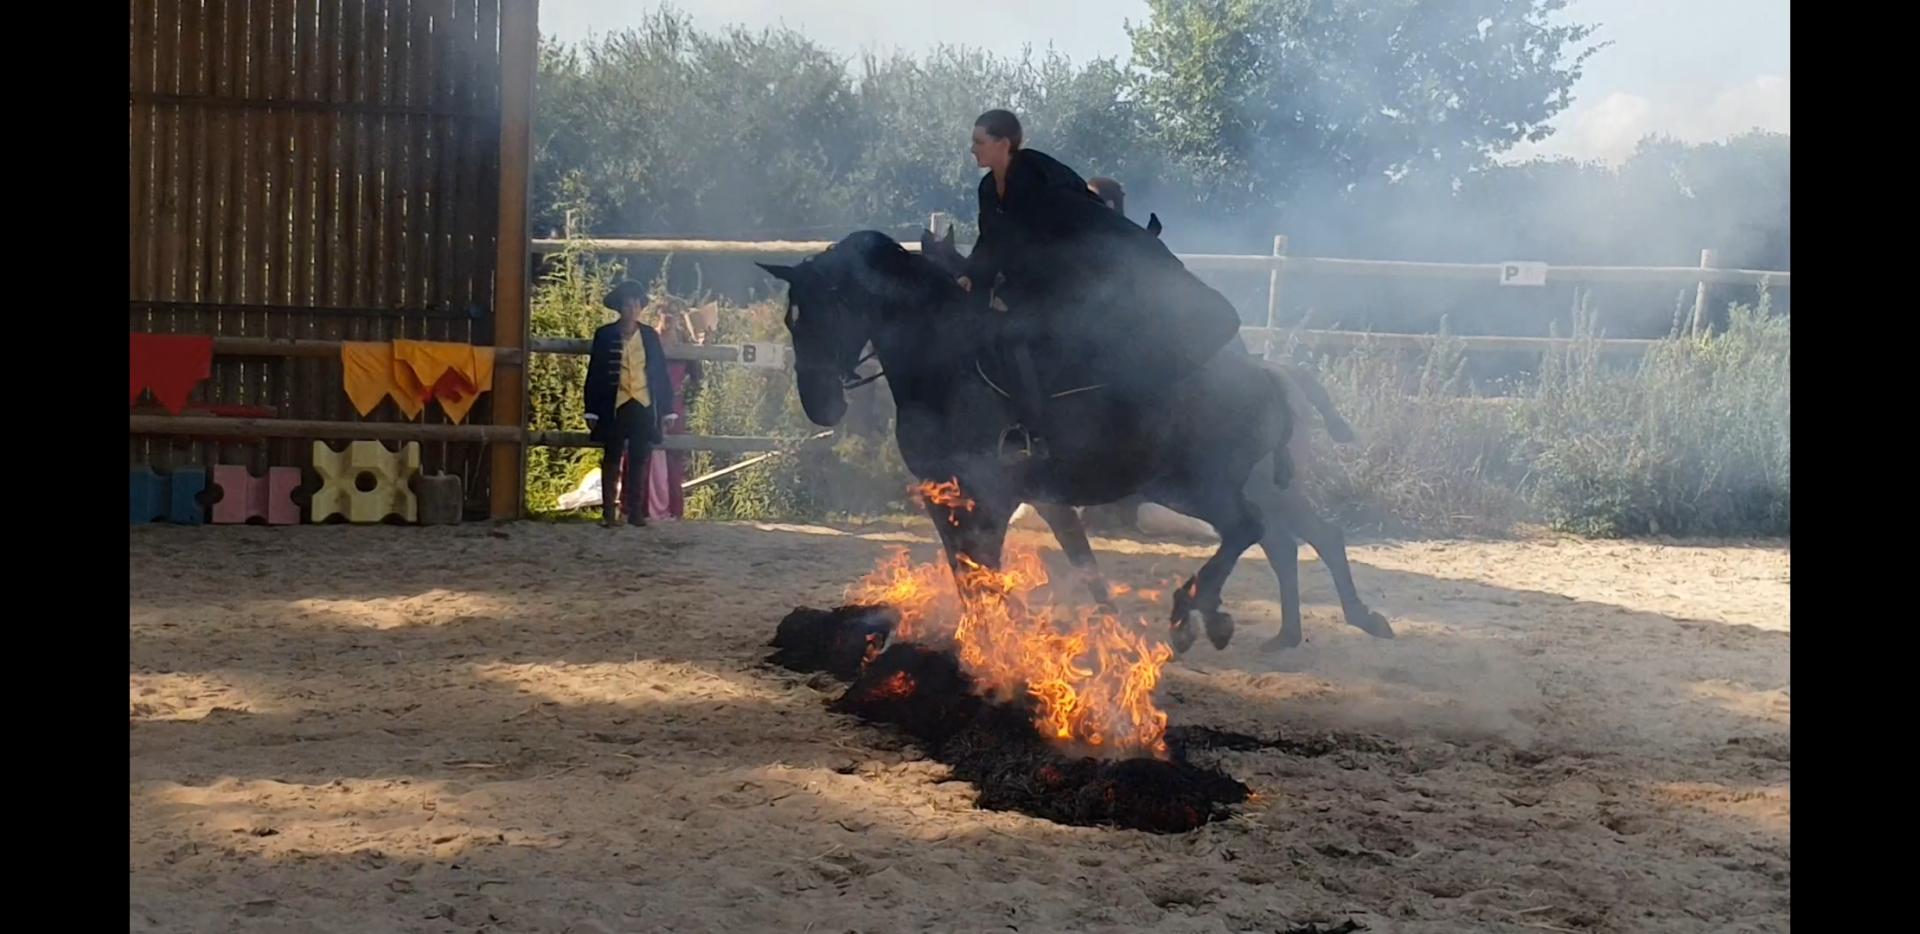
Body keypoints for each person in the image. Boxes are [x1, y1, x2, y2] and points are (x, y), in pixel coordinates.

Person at [959, 109, 1242, 461]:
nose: (972, 149)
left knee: (1017, 334)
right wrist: (973, 275)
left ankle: (1031, 431)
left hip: (1085, 275)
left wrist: (1007, 295)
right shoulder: (989, 188)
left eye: (979, 142)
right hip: (1048, 278)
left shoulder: (1037, 184)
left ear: (1004, 144)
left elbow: (1047, 249)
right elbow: (992, 240)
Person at [584, 280, 675, 528]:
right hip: (615, 403)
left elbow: (660, 373)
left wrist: (667, 410)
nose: (632, 308)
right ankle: (608, 513)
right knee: (611, 456)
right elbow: (595, 373)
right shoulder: (604, 335)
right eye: (627, 303)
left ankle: (635, 512)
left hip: (643, 402)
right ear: (620, 307)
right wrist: (591, 409)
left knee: (640, 456)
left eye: (636, 303)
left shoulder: (649, 336)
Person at [645, 308, 704, 520]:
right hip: (649, 401)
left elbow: (697, 376)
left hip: (675, 403)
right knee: (643, 454)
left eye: (673, 317)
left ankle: (674, 509)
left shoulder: (684, 344)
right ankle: (643, 507)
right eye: (665, 316)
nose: (669, 321)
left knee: (674, 457)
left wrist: (687, 398)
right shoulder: (649, 338)